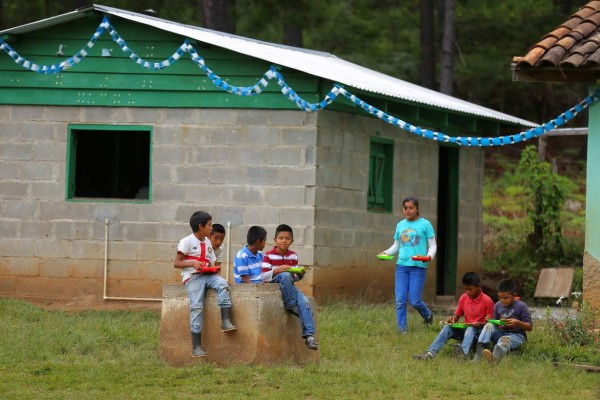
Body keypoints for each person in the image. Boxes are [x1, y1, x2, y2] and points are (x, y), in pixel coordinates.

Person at [173, 211, 237, 358]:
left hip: (208, 275)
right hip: (193, 278)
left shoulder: (208, 242)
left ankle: (225, 321)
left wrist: (212, 269)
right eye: (209, 225)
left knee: (223, 284)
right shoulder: (186, 241)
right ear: (200, 226)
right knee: (197, 307)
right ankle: (196, 346)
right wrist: (193, 263)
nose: (211, 228)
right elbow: (177, 263)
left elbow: (211, 262)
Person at [378, 196, 437, 333]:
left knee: (415, 300)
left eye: (411, 208)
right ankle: (402, 330)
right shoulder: (400, 225)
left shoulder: (425, 224)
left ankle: (428, 316)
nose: (408, 210)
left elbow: (433, 245)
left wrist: (429, 257)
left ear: (417, 209)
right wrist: (386, 253)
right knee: (400, 300)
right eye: (405, 208)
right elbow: (396, 245)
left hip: (418, 266)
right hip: (402, 267)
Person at [413, 272, 494, 360]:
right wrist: (452, 319)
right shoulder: (464, 298)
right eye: (465, 289)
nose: (467, 292)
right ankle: (430, 353)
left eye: (470, 289)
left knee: (470, 329)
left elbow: (491, 325)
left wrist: (481, 324)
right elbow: (456, 318)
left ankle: (463, 355)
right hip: (466, 331)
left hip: (479, 334)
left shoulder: (487, 301)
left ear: (478, 287)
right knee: (448, 328)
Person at [261, 224, 318, 350]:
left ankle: (309, 336)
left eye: (287, 238)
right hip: (274, 284)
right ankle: (291, 305)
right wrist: (279, 269)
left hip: (289, 286)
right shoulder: (268, 255)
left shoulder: (293, 256)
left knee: (305, 302)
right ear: (275, 240)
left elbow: (293, 279)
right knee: (285, 275)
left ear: (291, 241)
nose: (284, 241)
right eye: (281, 238)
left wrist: (300, 275)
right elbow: (264, 277)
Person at [473, 279, 533, 364]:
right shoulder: (497, 305)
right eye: (500, 297)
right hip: (502, 332)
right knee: (489, 325)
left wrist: (517, 322)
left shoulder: (522, 306)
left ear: (514, 295)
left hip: (517, 336)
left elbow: (530, 327)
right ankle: (478, 355)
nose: (502, 300)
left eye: (505, 298)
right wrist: (492, 320)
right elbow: (495, 325)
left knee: (503, 339)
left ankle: (494, 359)